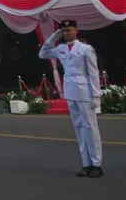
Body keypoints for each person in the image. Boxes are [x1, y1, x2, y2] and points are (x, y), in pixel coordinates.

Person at [39, 20, 103, 178]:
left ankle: (97, 164)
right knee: (79, 128)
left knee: (90, 128)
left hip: (85, 91)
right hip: (70, 91)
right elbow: (43, 53)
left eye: (68, 30)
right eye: (63, 30)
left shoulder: (86, 49)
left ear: (76, 30)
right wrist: (54, 36)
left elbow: (93, 73)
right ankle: (86, 164)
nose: (66, 33)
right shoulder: (60, 48)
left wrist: (96, 95)